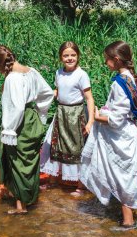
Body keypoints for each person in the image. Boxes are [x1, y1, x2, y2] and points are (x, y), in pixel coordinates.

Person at [79, 41, 137, 231]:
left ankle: (127, 222)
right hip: (128, 133)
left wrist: (96, 116)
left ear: (116, 60)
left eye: (107, 60)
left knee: (121, 176)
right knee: (124, 175)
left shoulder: (119, 83)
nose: (106, 63)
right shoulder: (130, 79)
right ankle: (127, 217)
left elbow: (116, 119)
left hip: (121, 137)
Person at [0, 45, 53, 214]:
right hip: (31, 119)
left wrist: (9, 129)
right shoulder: (31, 71)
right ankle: (28, 198)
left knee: (17, 161)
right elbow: (47, 93)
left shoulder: (12, 78)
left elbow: (16, 108)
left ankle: (21, 206)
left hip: (18, 124)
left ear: (0, 64)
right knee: (29, 161)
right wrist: (39, 113)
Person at [40, 41, 95, 196]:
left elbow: (89, 98)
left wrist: (90, 121)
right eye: (66, 55)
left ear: (78, 56)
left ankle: (81, 185)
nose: (69, 58)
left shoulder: (82, 75)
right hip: (61, 113)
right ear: (60, 57)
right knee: (54, 146)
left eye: (73, 55)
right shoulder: (59, 72)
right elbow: (57, 91)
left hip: (77, 115)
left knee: (77, 149)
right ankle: (52, 180)